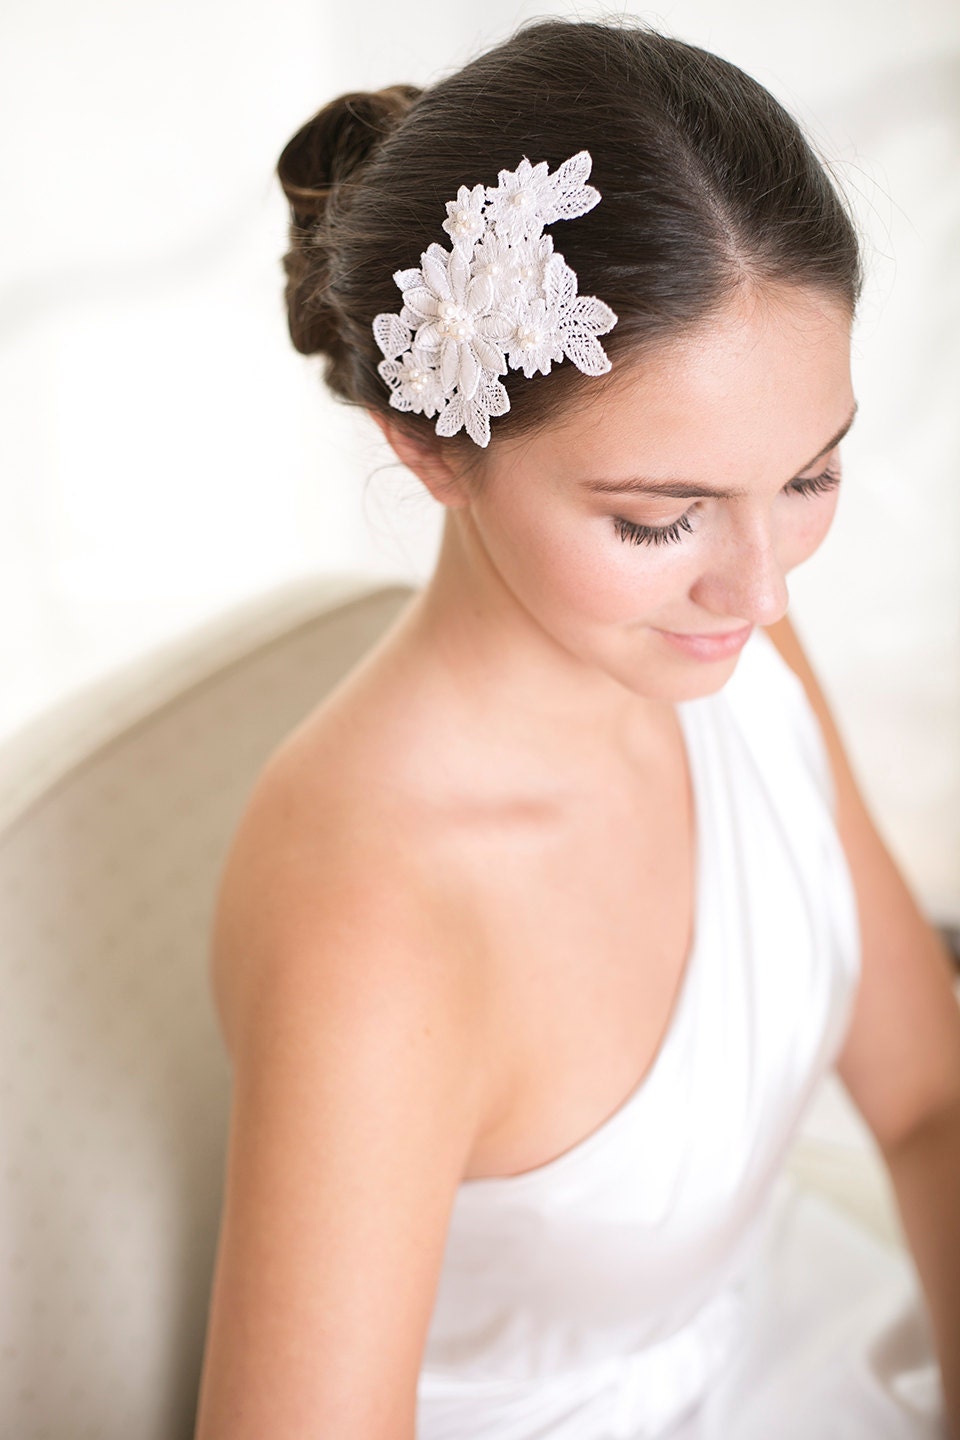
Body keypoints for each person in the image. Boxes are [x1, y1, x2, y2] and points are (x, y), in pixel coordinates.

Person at [193, 16, 960, 1439]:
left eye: (811, 473)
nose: (764, 585)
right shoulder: (374, 919)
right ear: (431, 449)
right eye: (658, 517)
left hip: (792, 1344)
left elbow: (926, 1099)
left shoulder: (730, 642)